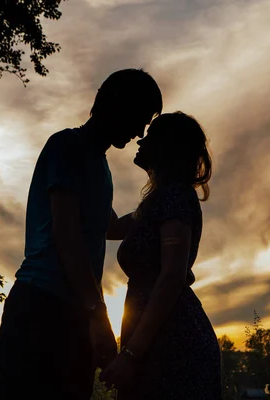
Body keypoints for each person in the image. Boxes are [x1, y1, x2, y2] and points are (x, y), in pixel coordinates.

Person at [0, 69, 163, 400]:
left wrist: (161, 200)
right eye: (139, 118)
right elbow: (66, 232)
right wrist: (98, 315)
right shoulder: (67, 145)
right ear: (114, 105)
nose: (140, 131)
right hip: (41, 307)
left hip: (73, 310)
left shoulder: (99, 164)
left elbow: (109, 227)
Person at [101, 112, 222, 399]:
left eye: (151, 135)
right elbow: (111, 228)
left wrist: (132, 354)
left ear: (167, 146)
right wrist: (91, 169)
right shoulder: (157, 202)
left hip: (173, 340)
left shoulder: (176, 197)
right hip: (156, 336)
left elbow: (171, 276)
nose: (141, 140)